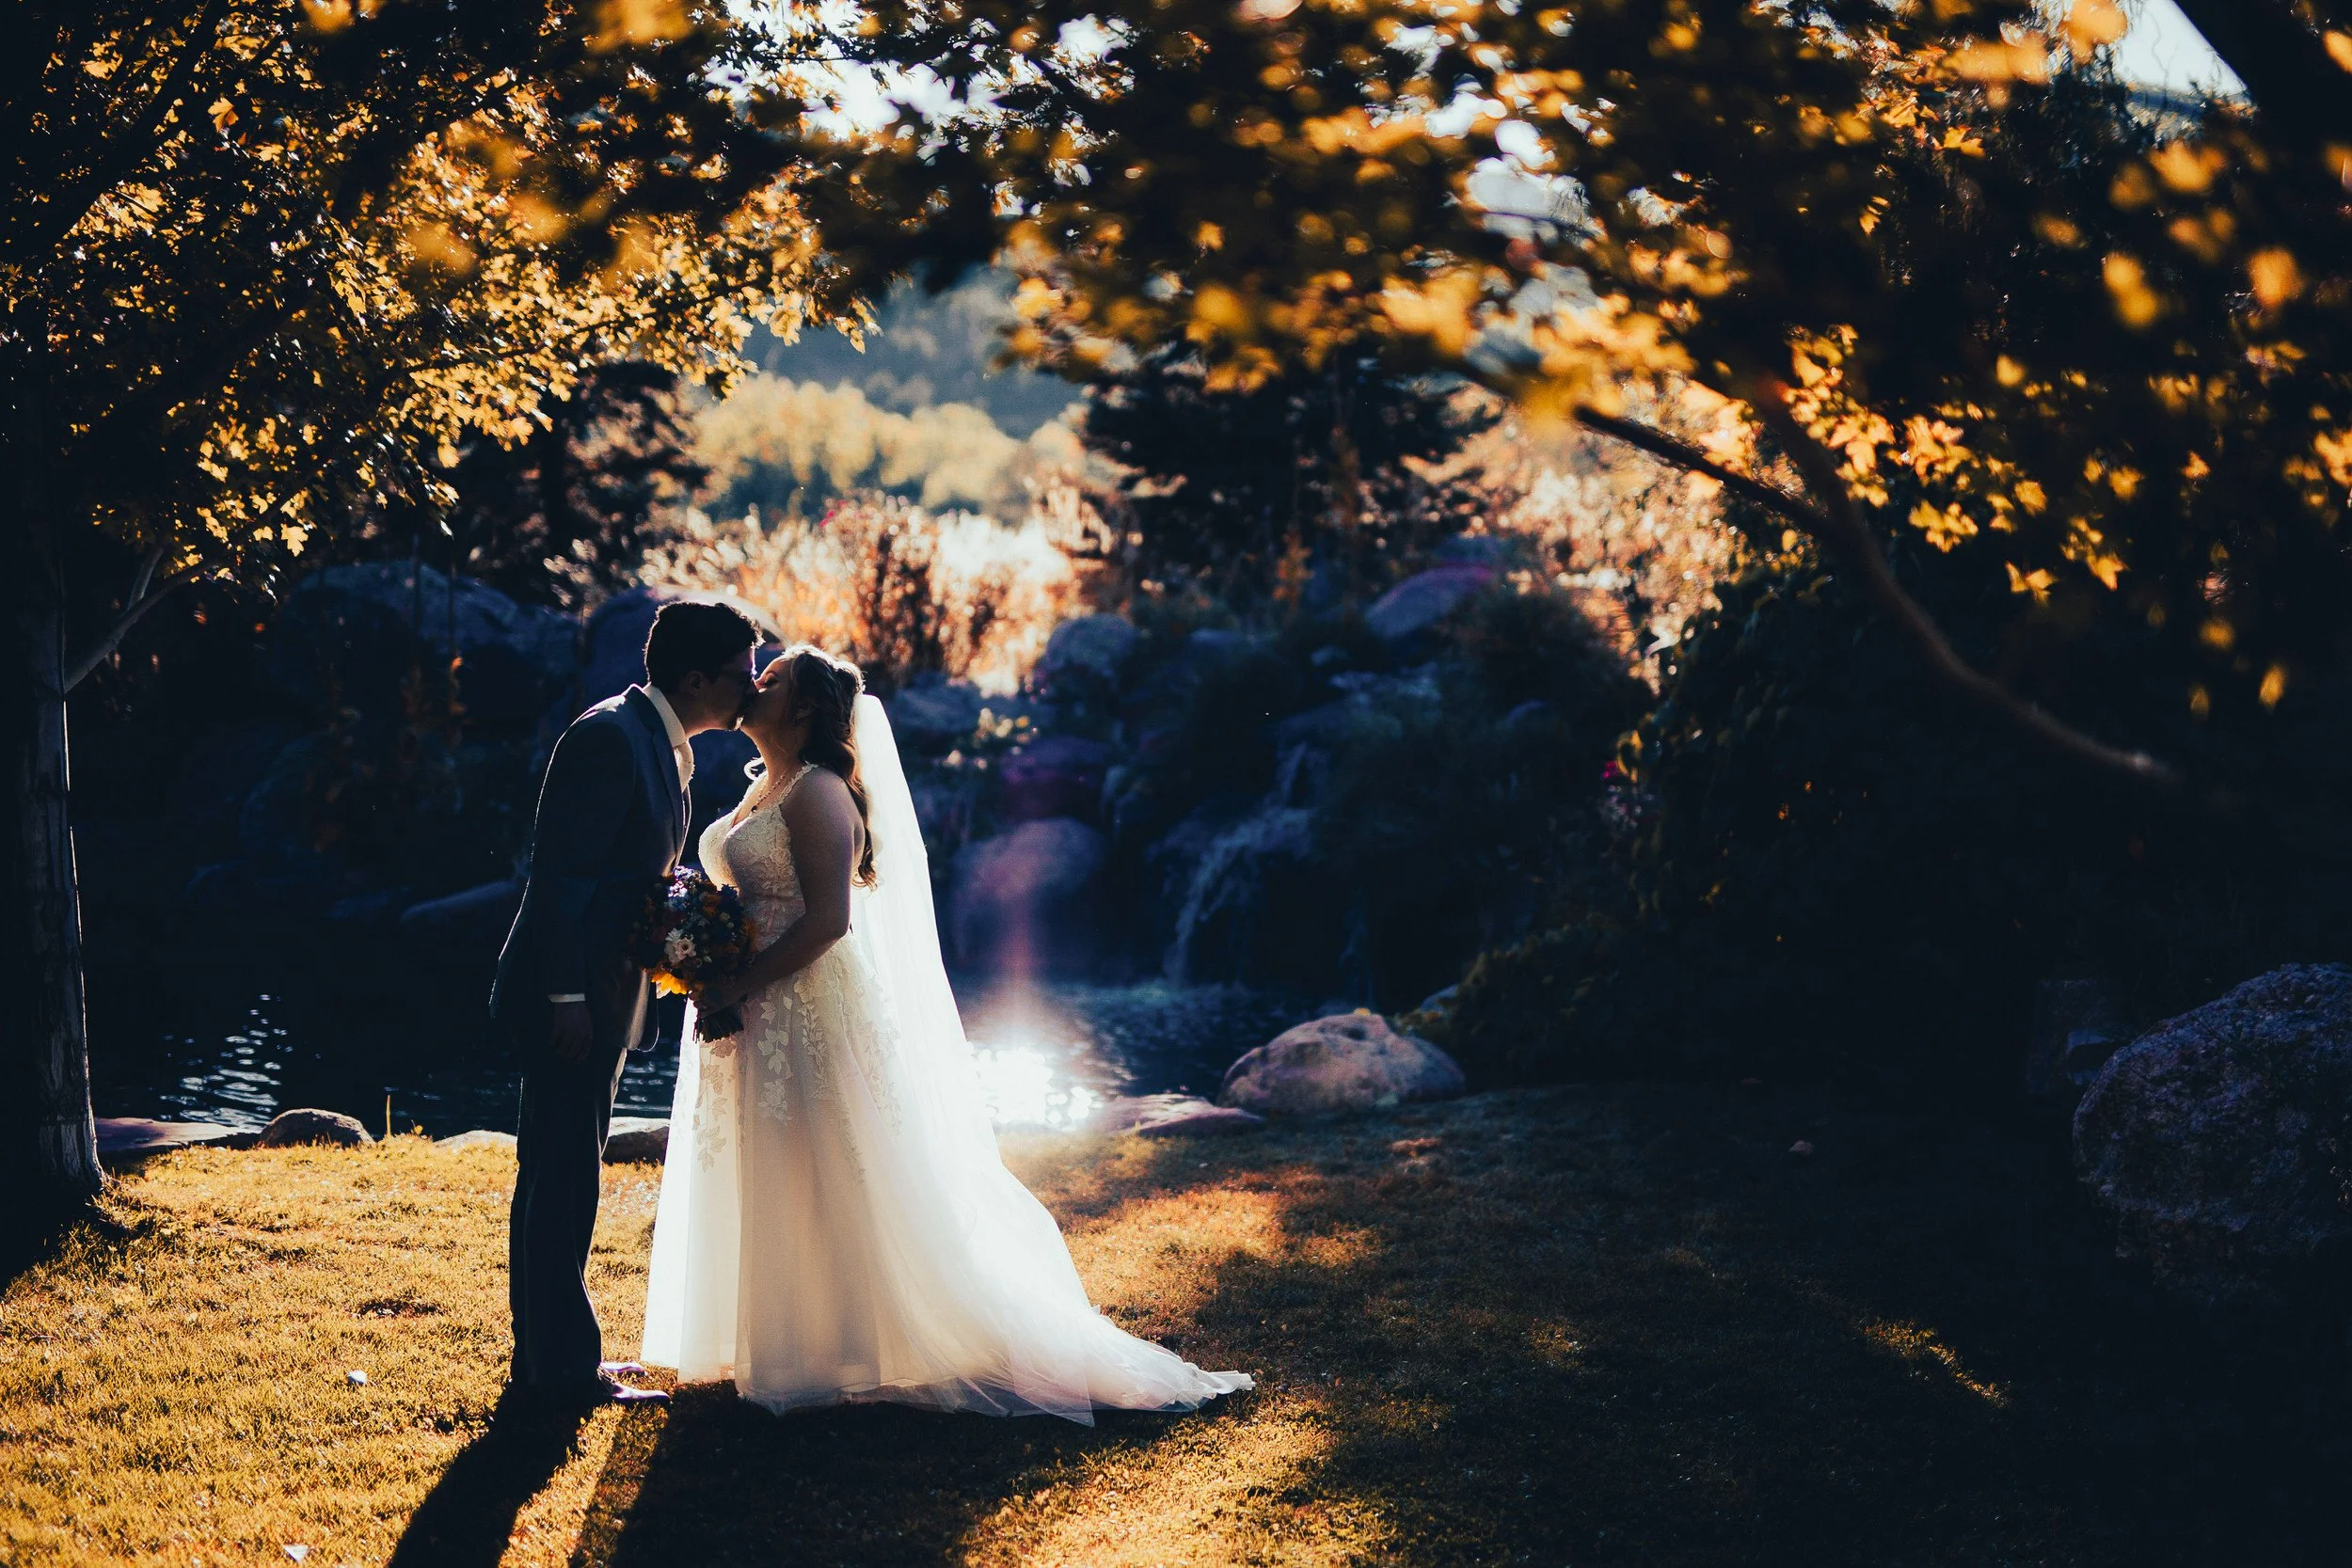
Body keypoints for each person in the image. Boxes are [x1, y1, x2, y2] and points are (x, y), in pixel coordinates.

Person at [642, 645, 1251, 1420]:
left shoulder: (821, 793)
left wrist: (736, 979)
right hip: (753, 1004)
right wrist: (701, 945)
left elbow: (830, 920)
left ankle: (857, 1339)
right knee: (776, 1164)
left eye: (771, 679)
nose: (751, 682)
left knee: (837, 1166)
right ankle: (790, 1333)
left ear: (799, 709)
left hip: (807, 1003)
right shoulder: (764, 789)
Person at [491, 600, 757, 1405]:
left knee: (564, 1171)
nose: (751, 686)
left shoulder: (656, 740)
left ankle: (548, 1359)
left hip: (602, 995)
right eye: (742, 671)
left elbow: (621, 874)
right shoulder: (609, 737)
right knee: (560, 1173)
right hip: (569, 1000)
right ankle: (560, 1370)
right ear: (696, 678)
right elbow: (560, 880)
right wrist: (568, 995)